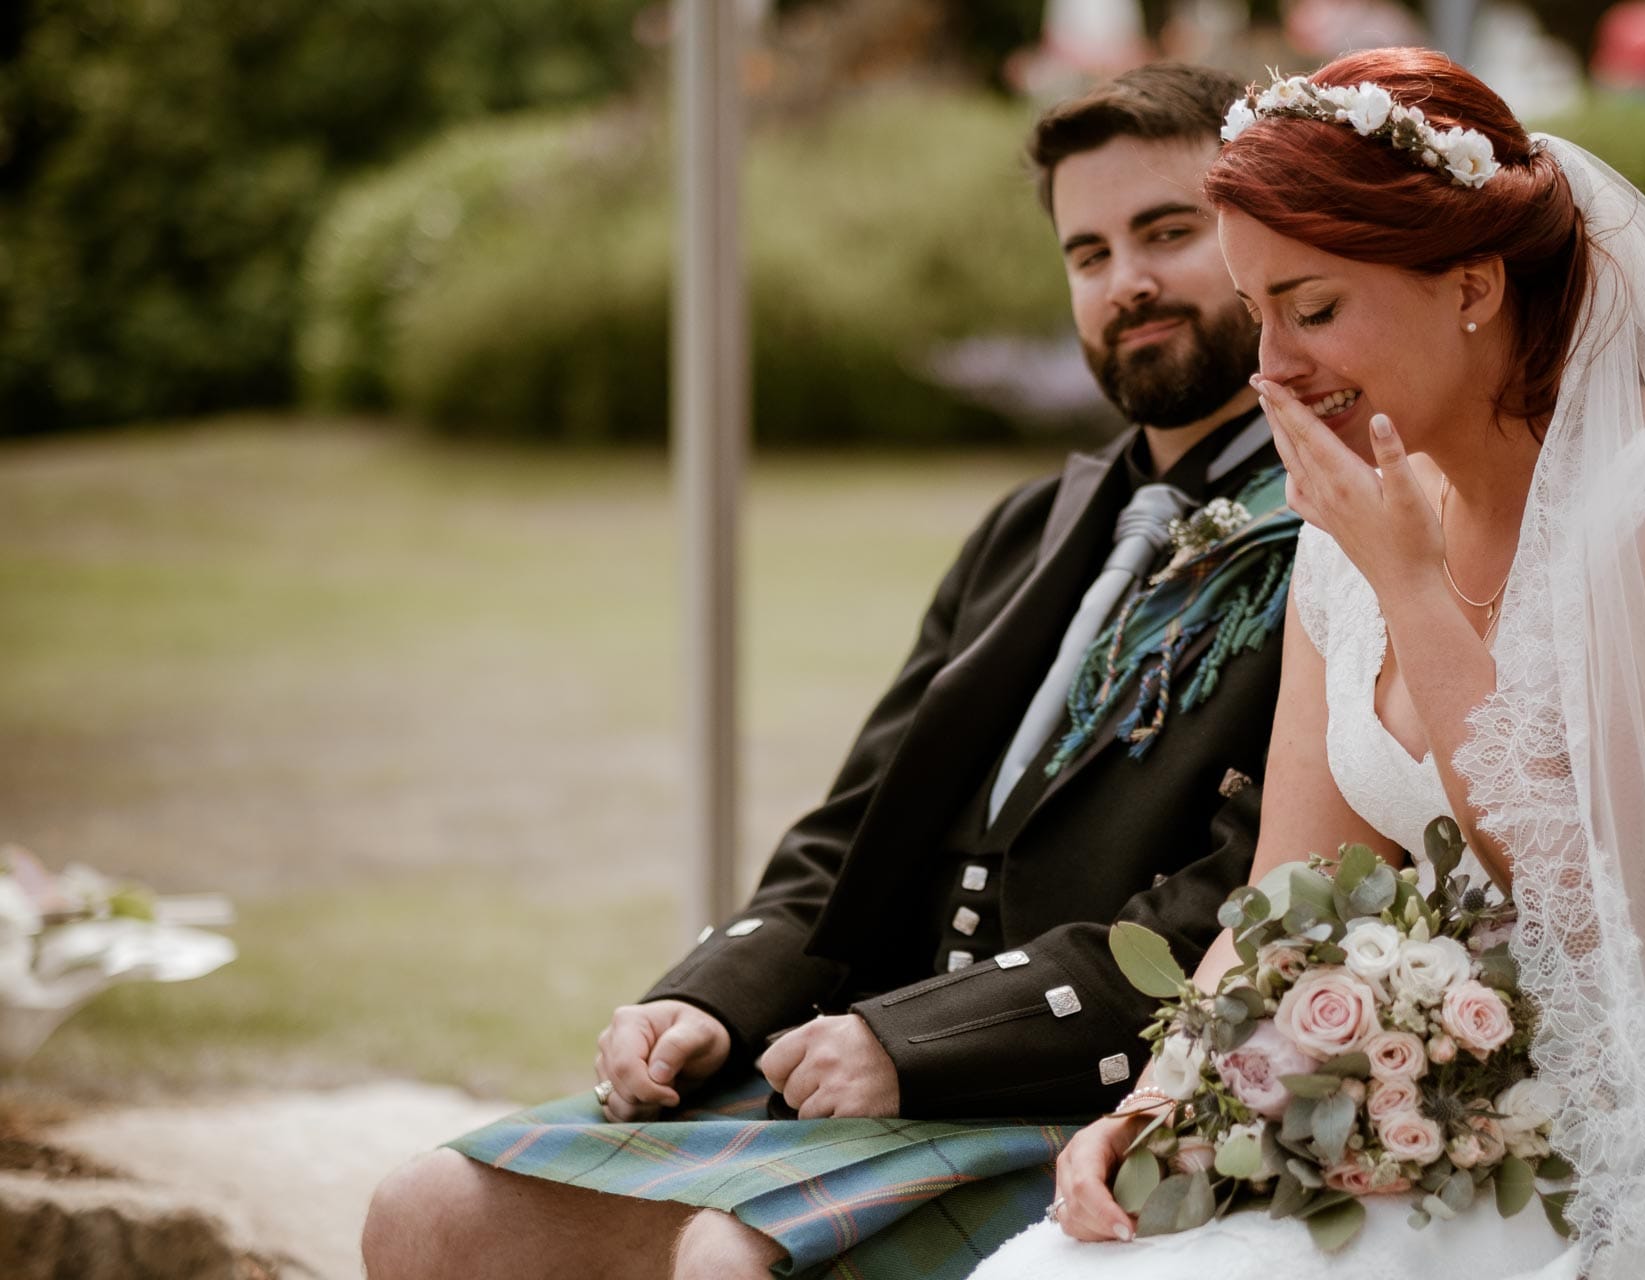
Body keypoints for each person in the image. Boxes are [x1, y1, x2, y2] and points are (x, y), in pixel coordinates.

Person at [973, 47, 1645, 1280]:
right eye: (1255, 313)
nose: (1270, 368)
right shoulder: (1361, 519)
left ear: (1473, 282)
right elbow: (1285, 890)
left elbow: (1594, 901)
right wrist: (1170, 1095)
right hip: (1450, 1110)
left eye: (1312, 308)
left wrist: (1408, 581)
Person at [361, 63, 1303, 1280]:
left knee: (725, 1255)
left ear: (1258, 241)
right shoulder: (1029, 526)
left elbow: (1238, 905)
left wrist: (915, 1043)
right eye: (1086, 252)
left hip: (1078, 1088)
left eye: (1166, 233)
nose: (1124, 281)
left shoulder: (1333, 530)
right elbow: (859, 825)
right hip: (878, 1055)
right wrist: (708, 996)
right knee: (425, 1207)